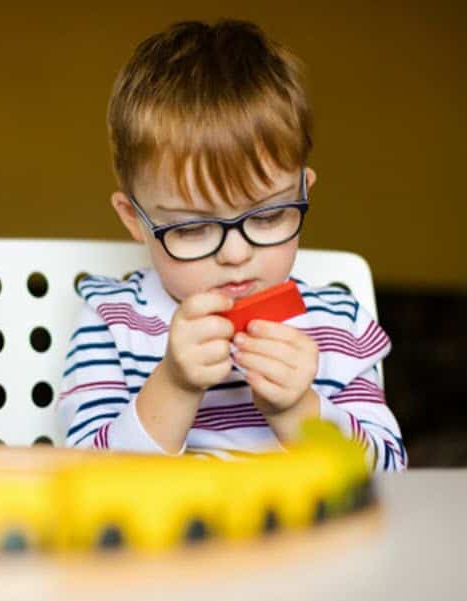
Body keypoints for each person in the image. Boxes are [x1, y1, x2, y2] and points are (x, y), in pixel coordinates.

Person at [57, 19, 407, 471]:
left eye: (267, 216)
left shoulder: (338, 324)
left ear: (304, 194)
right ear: (136, 221)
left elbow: (390, 476)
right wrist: (175, 386)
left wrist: (298, 411)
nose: (236, 254)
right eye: (191, 228)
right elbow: (84, 477)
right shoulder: (113, 321)